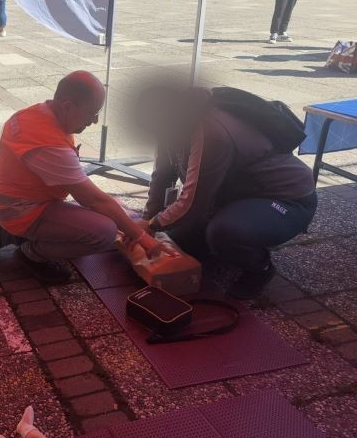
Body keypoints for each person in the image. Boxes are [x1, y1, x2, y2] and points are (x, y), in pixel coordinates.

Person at [0, 71, 168, 283]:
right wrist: (142, 238)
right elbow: (95, 200)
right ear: (68, 106)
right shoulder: (48, 144)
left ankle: (6, 231)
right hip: (21, 211)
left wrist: (122, 222)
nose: (95, 121)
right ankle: (30, 254)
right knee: (103, 232)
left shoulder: (37, 115)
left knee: (107, 217)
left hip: (16, 202)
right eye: (92, 113)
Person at [136, 86, 317, 299]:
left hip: (285, 200)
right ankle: (226, 245)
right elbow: (162, 174)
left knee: (224, 232)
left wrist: (152, 225)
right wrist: (147, 220)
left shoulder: (212, 131)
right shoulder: (172, 124)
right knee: (175, 240)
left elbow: (194, 203)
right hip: (236, 198)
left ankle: (261, 268)